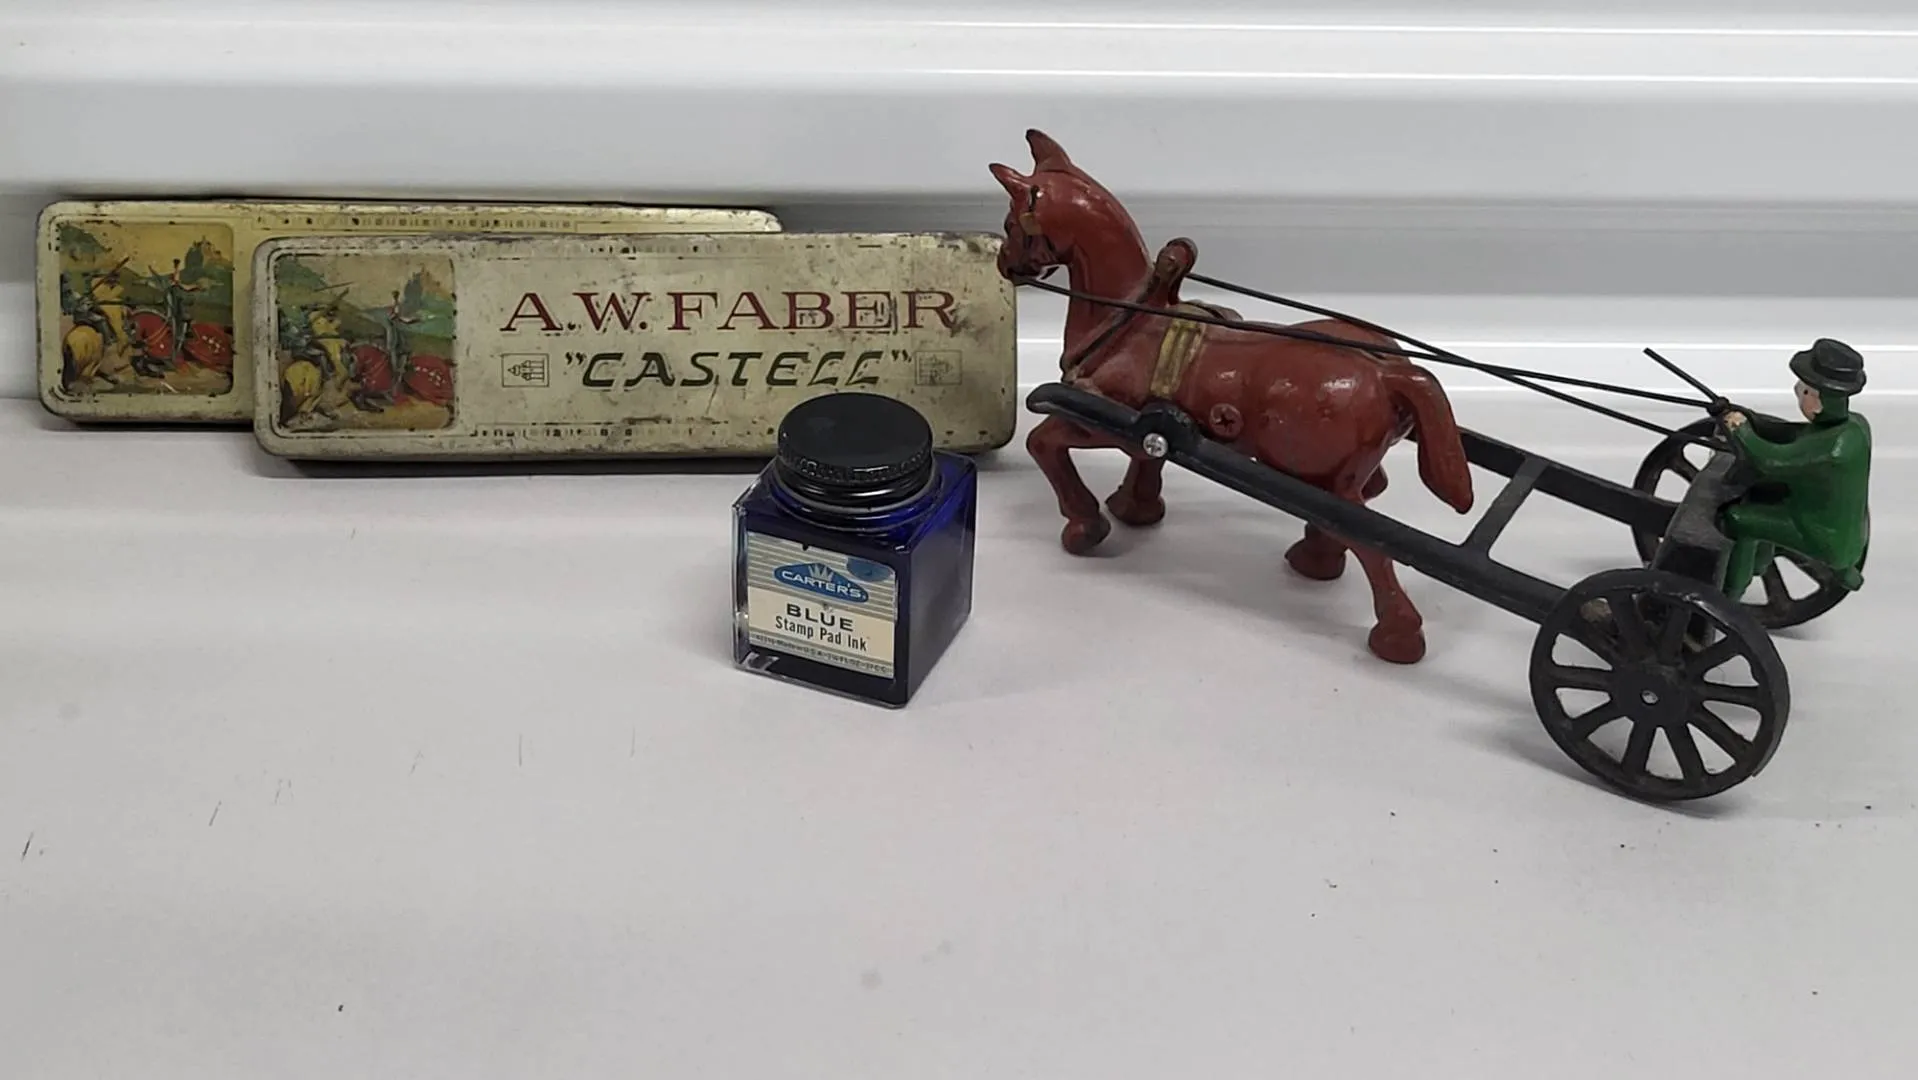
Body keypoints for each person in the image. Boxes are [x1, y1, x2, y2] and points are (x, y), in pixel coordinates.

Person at [1718, 338, 1871, 601]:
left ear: (1818, 401)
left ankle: (1730, 595)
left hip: (1817, 531)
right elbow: (1794, 435)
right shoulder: (1855, 426)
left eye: (1805, 391)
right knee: (1766, 498)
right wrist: (1751, 419)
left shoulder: (1832, 450)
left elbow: (1770, 461)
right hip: (1846, 526)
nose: (1798, 393)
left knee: (1737, 519)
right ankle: (1840, 571)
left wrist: (1739, 429)